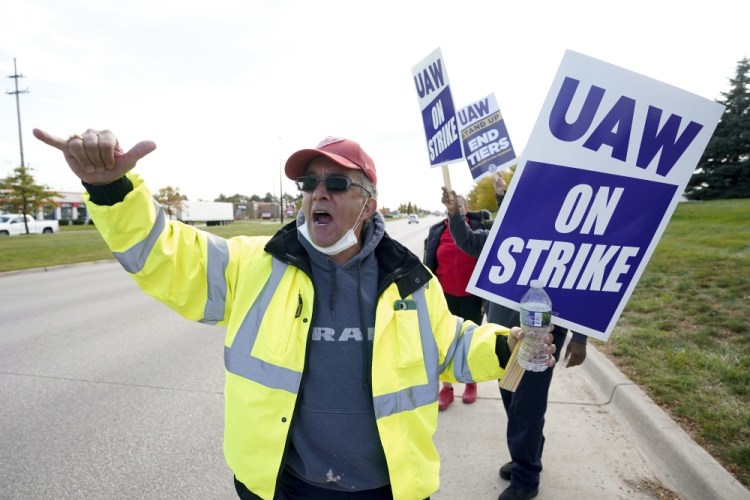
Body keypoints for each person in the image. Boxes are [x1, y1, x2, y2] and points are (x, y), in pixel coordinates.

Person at [33, 128, 557, 500]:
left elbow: (452, 348)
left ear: (369, 203)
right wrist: (111, 191)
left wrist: (508, 346)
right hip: (279, 487)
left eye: (335, 184)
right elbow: (162, 253)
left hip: (386, 489)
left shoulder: (410, 282)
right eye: (309, 184)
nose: (317, 194)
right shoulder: (253, 265)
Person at [440, 174, 588, 500]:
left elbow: (585, 290)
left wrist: (581, 337)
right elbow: (467, 242)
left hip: (542, 334)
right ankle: (528, 454)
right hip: (506, 334)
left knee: (527, 407)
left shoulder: (562, 242)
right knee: (511, 399)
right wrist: (454, 214)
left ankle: (527, 479)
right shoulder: (501, 235)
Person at [423, 194, 488, 410]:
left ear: (466, 209)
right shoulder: (437, 231)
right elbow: (429, 261)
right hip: (444, 296)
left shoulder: (478, 229)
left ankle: (471, 382)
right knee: (443, 343)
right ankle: (447, 388)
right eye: (453, 207)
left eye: (460, 206)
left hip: (472, 296)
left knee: (470, 342)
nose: (457, 210)